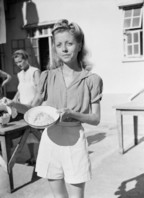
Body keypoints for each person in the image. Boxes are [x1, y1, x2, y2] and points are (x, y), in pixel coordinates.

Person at [8, 19, 103, 198]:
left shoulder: (92, 80)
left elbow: (96, 118)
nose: (64, 49)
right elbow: (32, 109)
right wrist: (13, 104)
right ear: (55, 48)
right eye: (59, 45)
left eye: (69, 43)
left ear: (80, 44)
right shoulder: (47, 76)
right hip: (50, 140)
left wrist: (72, 114)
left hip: (75, 141)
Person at [12, 49, 41, 165]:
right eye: (17, 63)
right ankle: (33, 157)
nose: (19, 65)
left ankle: (46, 157)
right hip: (24, 109)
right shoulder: (19, 74)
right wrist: (14, 100)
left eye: (20, 61)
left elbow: (40, 91)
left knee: (39, 134)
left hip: (34, 107)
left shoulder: (35, 71)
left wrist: (33, 106)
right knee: (28, 135)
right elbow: (20, 89)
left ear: (26, 59)